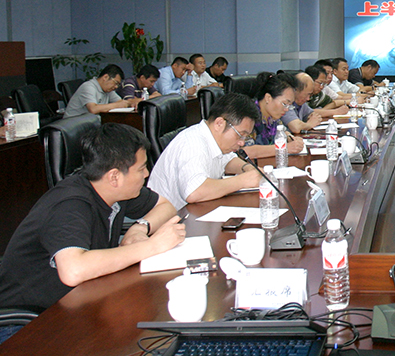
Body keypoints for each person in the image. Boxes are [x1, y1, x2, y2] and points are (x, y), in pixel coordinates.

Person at [0, 124, 185, 320]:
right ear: (114, 177)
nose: (146, 174)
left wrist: (139, 228)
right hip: (26, 321)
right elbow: (73, 271)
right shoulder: (70, 204)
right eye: (141, 169)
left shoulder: (115, 190)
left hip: (77, 302)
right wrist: (153, 246)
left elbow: (165, 206)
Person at [147, 92, 263, 209]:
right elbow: (194, 192)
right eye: (240, 134)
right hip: (170, 217)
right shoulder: (192, 144)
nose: (242, 143)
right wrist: (242, 181)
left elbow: (228, 160)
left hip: (195, 211)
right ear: (219, 124)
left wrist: (247, 168)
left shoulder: (214, 139)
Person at [240, 72, 306, 159]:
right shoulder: (248, 116)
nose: (286, 109)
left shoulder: (272, 117)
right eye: (285, 104)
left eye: (289, 105)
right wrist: (284, 148)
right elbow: (244, 151)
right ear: (268, 98)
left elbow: (282, 130)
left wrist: (290, 138)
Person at [63, 64, 140, 118]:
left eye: (118, 85)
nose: (116, 87)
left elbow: (120, 102)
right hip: (73, 127)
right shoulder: (89, 87)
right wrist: (117, 105)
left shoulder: (108, 90)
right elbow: (93, 109)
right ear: (105, 77)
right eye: (115, 83)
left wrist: (131, 103)